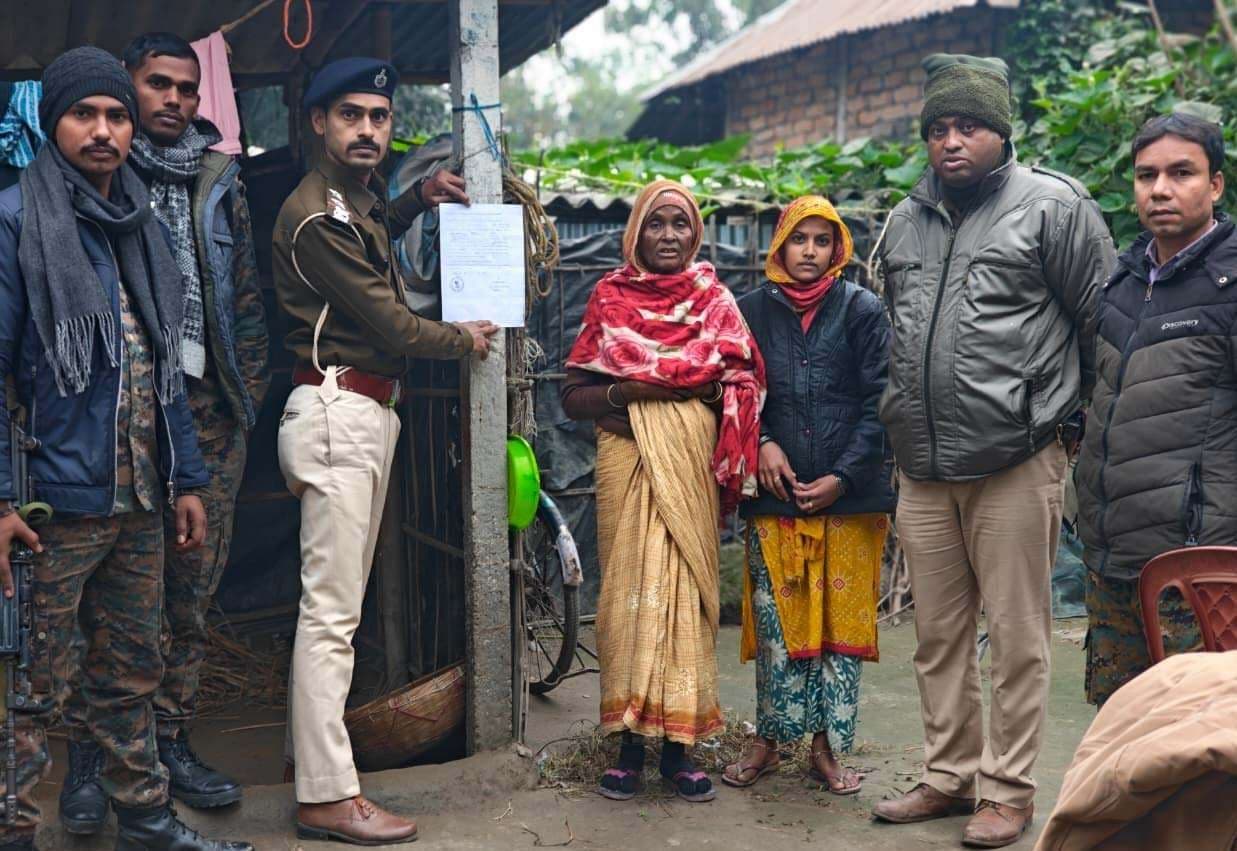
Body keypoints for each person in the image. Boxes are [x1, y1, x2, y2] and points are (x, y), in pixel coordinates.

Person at [0, 46, 252, 851]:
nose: (104, 130)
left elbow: (164, 371)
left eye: (114, 114)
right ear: (54, 121)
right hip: (53, 498)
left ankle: (145, 820)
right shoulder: (15, 220)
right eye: (85, 114)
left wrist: (185, 475)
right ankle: (14, 827)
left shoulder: (137, 223)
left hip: (139, 495)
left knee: (132, 670)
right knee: (34, 682)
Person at [872, 54, 1114, 848]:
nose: (950, 141)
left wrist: (1068, 428)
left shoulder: (1053, 206)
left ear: (999, 131)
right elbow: (897, 329)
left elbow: (1100, 325)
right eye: (938, 128)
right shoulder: (906, 218)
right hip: (923, 466)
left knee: (1015, 636)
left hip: (1016, 456)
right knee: (936, 636)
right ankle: (948, 775)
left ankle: (1007, 789)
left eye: (967, 125)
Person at [272, 57, 497, 846]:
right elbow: (391, 323)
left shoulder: (348, 206)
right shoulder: (316, 214)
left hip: (358, 410)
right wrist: (462, 338)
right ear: (317, 123)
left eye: (379, 116)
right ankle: (327, 793)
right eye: (351, 116)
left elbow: (368, 246)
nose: (368, 129)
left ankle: (322, 773)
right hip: (339, 407)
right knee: (331, 616)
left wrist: (412, 201)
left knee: (337, 610)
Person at [57, 32, 271, 831]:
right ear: (129, 88)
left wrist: (243, 398)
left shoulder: (220, 179)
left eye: (187, 87)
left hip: (207, 417)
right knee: (105, 604)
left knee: (190, 596)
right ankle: (92, 758)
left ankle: (172, 742)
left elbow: (244, 292)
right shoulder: (98, 171)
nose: (174, 100)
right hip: (117, 421)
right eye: (159, 85)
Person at [560, 179, 765, 804]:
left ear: (695, 232)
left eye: (680, 223)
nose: (669, 236)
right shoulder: (610, 296)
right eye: (656, 224)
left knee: (683, 597)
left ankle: (679, 749)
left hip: (689, 465)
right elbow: (573, 397)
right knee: (628, 595)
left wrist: (686, 407)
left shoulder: (715, 300)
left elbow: (746, 379)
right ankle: (627, 746)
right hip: (629, 462)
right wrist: (631, 395)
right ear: (636, 233)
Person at [722, 195, 892, 796]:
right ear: (780, 245)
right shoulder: (748, 312)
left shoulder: (863, 309)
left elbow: (881, 403)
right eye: (800, 239)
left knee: (837, 631)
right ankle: (768, 740)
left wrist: (843, 477)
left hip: (851, 501)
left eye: (823, 240)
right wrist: (762, 439)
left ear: (837, 248)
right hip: (775, 498)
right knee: (776, 627)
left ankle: (827, 747)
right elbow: (737, 386)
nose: (811, 252)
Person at [1074, 113, 1231, 706]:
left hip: (1197, 567)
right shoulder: (1122, 279)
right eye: (1146, 175)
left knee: (1195, 736)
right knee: (1120, 725)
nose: (1160, 189)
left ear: (1214, 185)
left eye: (1181, 172)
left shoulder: (1231, 282)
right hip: (1112, 554)